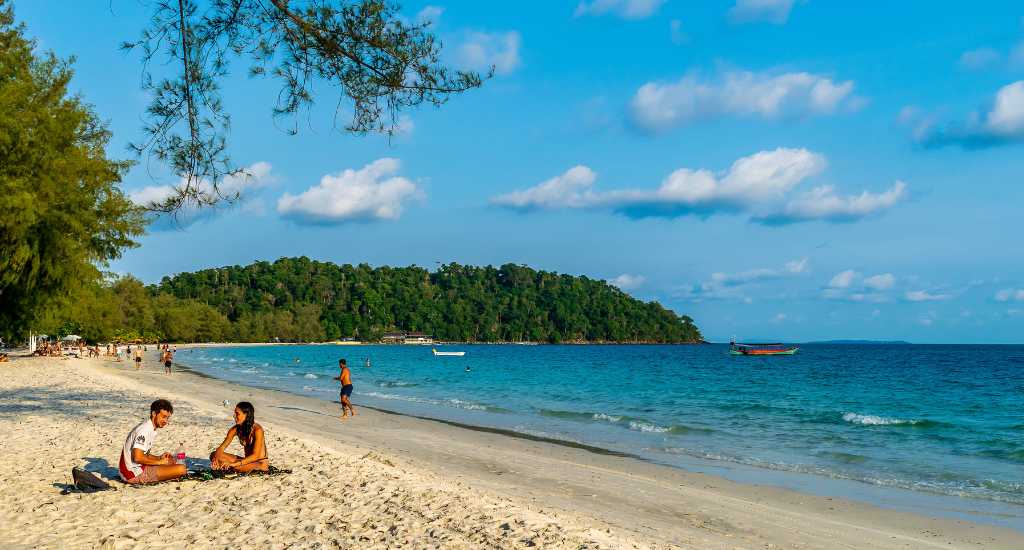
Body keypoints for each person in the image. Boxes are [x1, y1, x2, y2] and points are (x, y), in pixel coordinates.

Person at [119, 399, 186, 484]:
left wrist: (159, 458)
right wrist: (159, 462)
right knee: (181, 469)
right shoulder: (144, 430)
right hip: (133, 473)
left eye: (167, 418)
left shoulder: (149, 428)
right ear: (154, 414)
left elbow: (143, 454)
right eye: (163, 417)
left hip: (136, 469)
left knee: (173, 461)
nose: (165, 421)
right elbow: (137, 457)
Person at [209, 401, 268, 473]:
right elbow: (221, 448)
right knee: (213, 454)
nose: (234, 416)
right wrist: (215, 459)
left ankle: (228, 466)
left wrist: (233, 464)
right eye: (234, 413)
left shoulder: (257, 430)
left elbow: (256, 456)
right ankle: (226, 466)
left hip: (259, 464)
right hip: (246, 462)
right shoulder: (235, 429)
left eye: (237, 414)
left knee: (236, 467)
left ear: (246, 415)